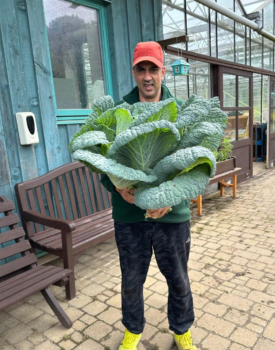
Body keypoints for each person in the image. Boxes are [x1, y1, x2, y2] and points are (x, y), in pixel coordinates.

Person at [101, 41, 197, 350]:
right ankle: (133, 331)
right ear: (133, 72)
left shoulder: (182, 112)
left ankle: (182, 332)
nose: (147, 76)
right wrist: (118, 186)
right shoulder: (117, 112)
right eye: (141, 69)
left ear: (163, 72)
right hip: (129, 216)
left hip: (173, 215)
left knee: (178, 280)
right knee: (131, 281)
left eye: (153, 69)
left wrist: (171, 196)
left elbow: (196, 164)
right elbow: (101, 160)